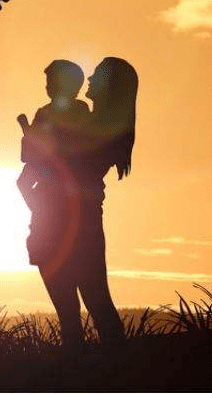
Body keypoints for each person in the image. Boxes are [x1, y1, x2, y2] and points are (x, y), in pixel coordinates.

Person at [29, 57, 138, 350]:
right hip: (60, 217)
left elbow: (63, 165)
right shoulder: (86, 120)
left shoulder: (95, 127)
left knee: (91, 299)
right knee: (86, 300)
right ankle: (94, 366)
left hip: (72, 219)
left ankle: (109, 367)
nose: (89, 79)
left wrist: (40, 145)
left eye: (96, 76)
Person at [16, 60, 91, 266]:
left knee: (24, 184)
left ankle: (41, 212)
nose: (47, 86)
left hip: (59, 173)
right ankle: (40, 211)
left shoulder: (77, 110)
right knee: (22, 183)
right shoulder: (46, 112)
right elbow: (32, 148)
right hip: (45, 170)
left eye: (51, 81)